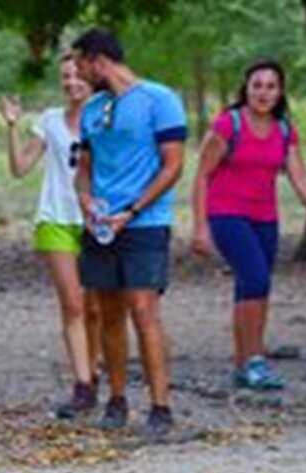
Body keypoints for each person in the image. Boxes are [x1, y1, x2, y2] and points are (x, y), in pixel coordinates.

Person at [70, 28, 187, 438]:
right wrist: (85, 199)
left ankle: (161, 405)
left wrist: (133, 209)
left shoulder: (160, 100)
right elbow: (83, 167)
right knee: (107, 312)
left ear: (98, 60)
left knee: (143, 309)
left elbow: (173, 165)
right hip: (102, 225)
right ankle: (117, 398)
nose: (78, 71)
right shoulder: (93, 109)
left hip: (145, 222)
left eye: (81, 62)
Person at [190, 59, 306, 390]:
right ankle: (256, 359)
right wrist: (200, 227)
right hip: (227, 214)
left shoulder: (284, 130)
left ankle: (243, 365)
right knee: (256, 279)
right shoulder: (230, 125)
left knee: (253, 287)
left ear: (280, 91)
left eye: (270, 86)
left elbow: (298, 175)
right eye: (257, 85)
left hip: (265, 218)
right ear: (247, 88)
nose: (263, 93)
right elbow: (201, 176)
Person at [0, 53, 103, 419]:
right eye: (66, 76)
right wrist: (12, 126)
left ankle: (94, 366)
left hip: (96, 219)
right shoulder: (50, 121)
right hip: (56, 218)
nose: (72, 82)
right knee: (73, 304)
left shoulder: (107, 117)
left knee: (94, 307)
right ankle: (82, 384)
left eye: (79, 75)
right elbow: (19, 168)